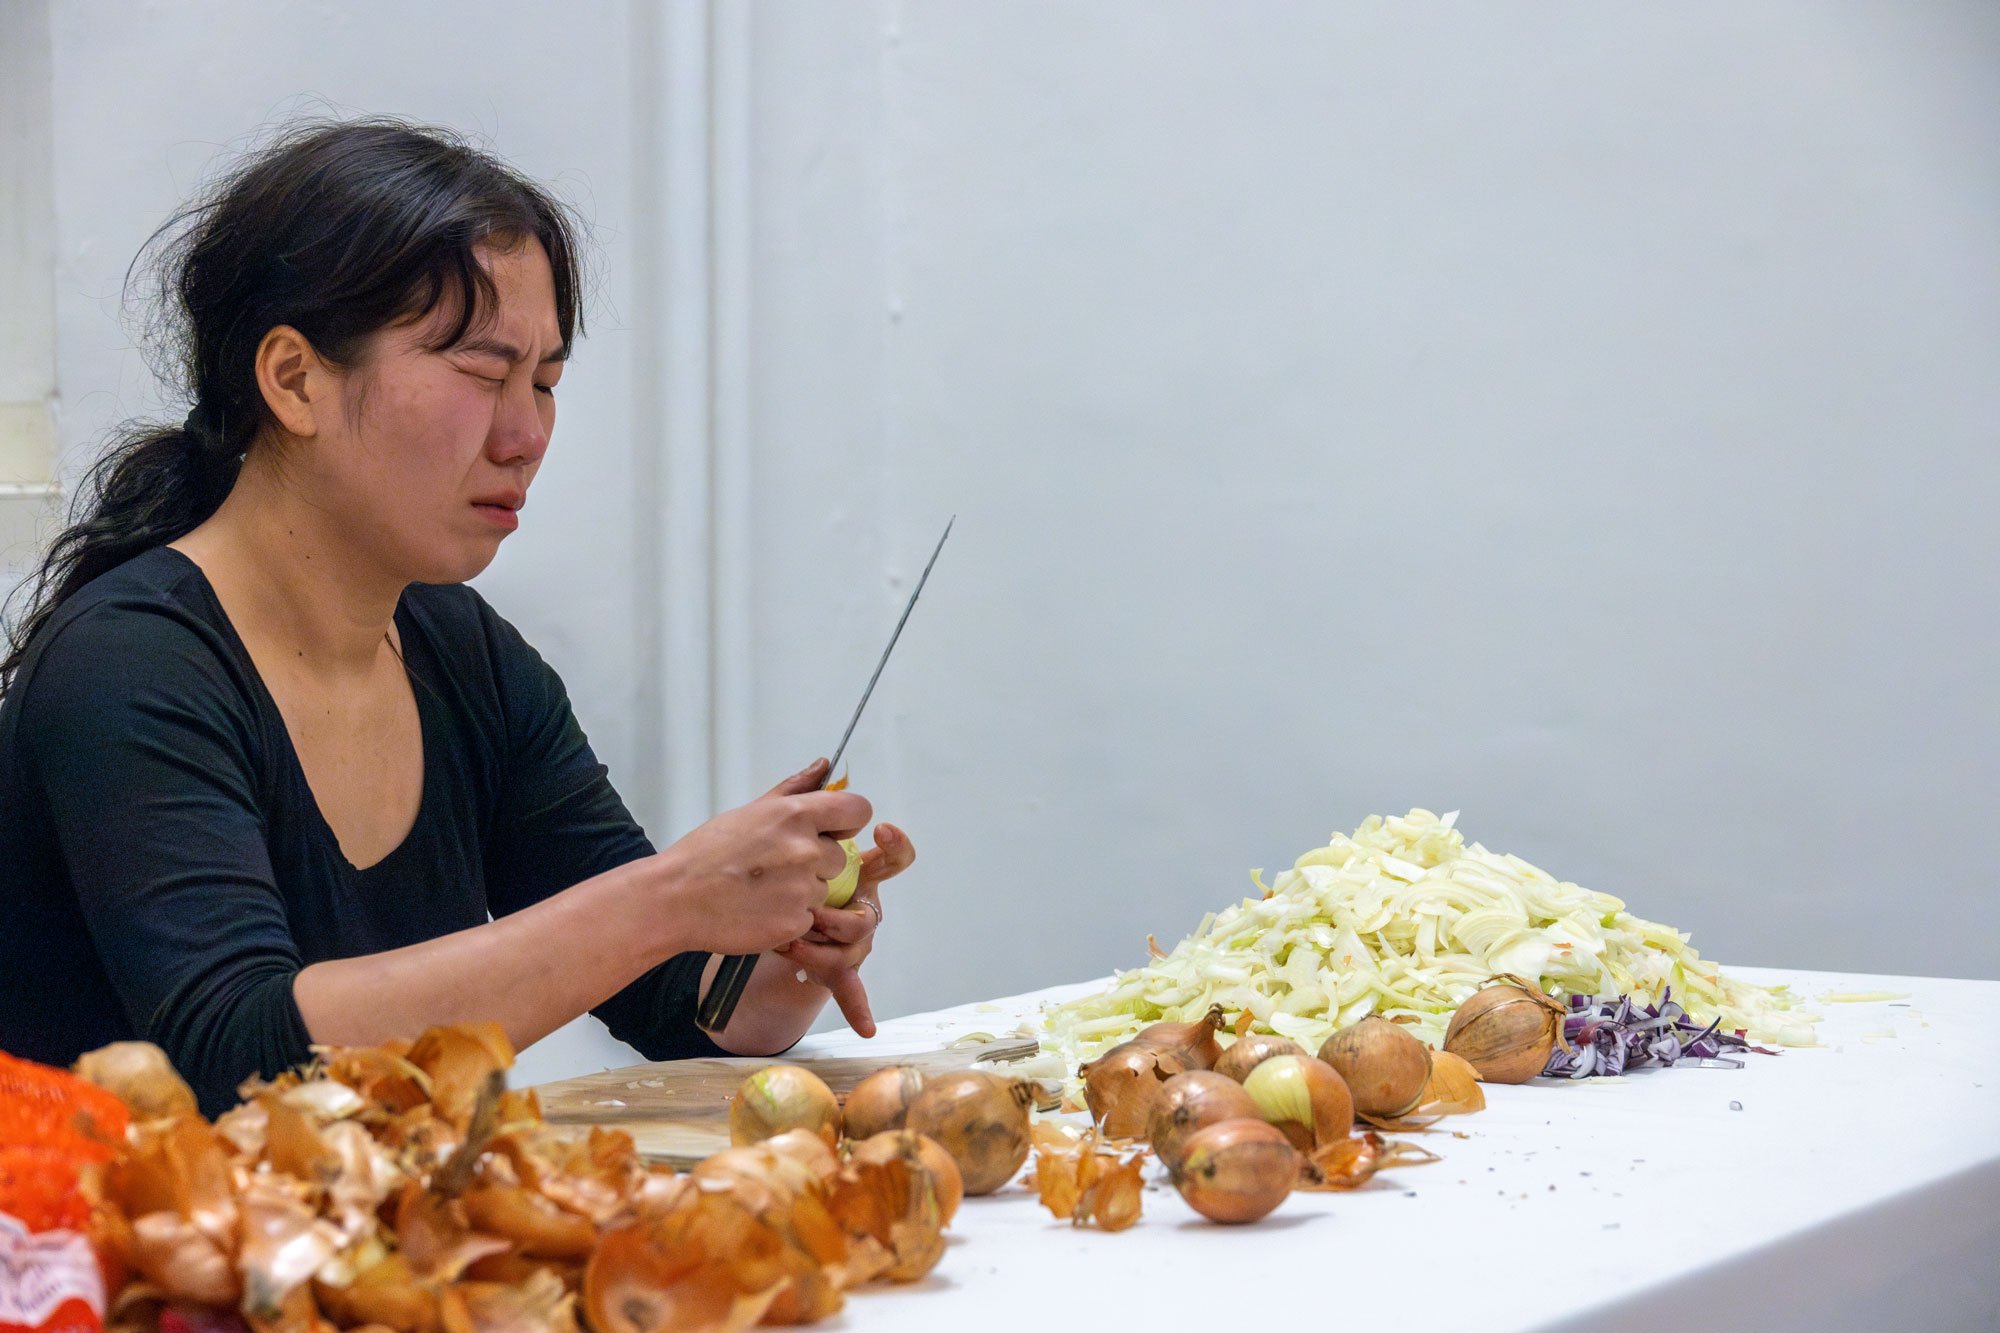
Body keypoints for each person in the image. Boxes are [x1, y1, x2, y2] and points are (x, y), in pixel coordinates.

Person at [0, 118, 910, 1114]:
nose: (526, 436)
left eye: (545, 383)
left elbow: (679, 1004)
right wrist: (671, 899)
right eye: (482, 374)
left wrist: (780, 939)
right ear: (295, 379)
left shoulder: (463, 651)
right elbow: (243, 1059)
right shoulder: (128, 666)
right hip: (99, 1213)